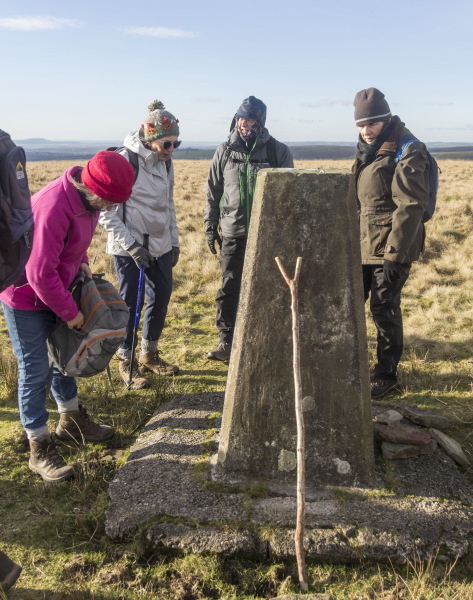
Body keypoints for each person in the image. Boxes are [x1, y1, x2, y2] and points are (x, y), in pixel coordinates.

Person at [0, 151, 135, 482]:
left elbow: (71, 244)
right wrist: (72, 315)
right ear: (94, 188)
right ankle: (38, 445)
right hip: (26, 297)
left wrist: (84, 262)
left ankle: (70, 420)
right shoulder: (54, 205)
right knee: (35, 370)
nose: (113, 208)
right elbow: (38, 272)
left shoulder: (86, 202)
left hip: (60, 291)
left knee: (66, 357)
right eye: (111, 201)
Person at [352, 87, 430, 399]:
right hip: (363, 244)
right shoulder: (367, 148)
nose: (365, 130)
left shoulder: (407, 148)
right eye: (360, 124)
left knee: (384, 308)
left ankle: (386, 375)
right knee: (353, 304)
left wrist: (394, 256)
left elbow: (410, 205)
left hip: (391, 246)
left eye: (371, 124)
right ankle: (352, 365)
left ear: (385, 119)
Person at [204, 96, 294, 361]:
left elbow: (289, 193)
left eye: (250, 119)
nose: (244, 124)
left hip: (266, 234)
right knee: (230, 286)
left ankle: (267, 338)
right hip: (233, 232)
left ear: (260, 122)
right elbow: (213, 191)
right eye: (241, 118)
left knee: (268, 287)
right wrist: (211, 225)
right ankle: (226, 342)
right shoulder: (224, 151)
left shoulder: (277, 151)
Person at [99, 100, 181, 389]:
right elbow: (105, 212)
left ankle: (149, 353)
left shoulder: (166, 162)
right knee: (130, 304)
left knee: (161, 297)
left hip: (160, 246)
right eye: (166, 143)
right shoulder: (125, 161)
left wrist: (174, 242)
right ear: (149, 138)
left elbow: (167, 205)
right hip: (129, 249)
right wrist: (132, 246)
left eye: (176, 143)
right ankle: (126, 360)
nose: (171, 149)